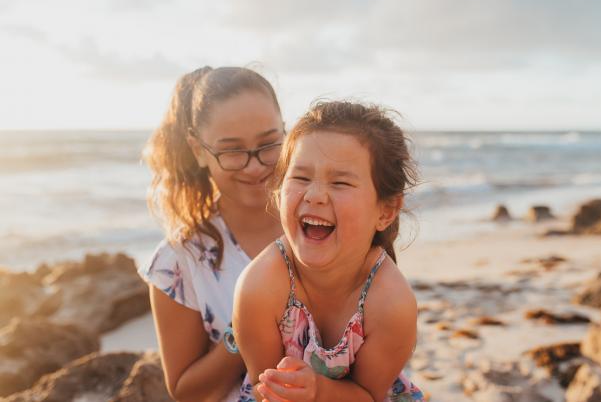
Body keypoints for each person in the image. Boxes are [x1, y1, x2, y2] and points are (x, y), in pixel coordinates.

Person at [233, 101, 424, 402]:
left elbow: (369, 395)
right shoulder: (259, 286)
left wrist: (318, 391)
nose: (315, 195)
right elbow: (262, 386)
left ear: (386, 211)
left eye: (340, 182)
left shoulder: (392, 304)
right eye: (301, 177)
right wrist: (283, 389)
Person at [139, 66, 285, 401]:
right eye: (232, 150)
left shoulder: (322, 220)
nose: (254, 166)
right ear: (199, 150)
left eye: (268, 144)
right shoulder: (178, 261)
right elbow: (187, 393)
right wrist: (244, 331)